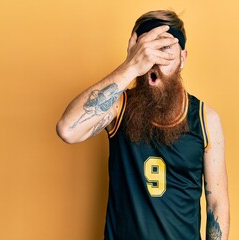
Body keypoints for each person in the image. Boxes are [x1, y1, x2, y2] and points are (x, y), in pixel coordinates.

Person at [56, 10, 229, 240]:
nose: (154, 62)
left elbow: (216, 203)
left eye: (164, 50)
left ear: (183, 59)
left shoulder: (205, 119)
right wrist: (130, 67)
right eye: (145, 52)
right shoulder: (118, 107)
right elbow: (68, 129)